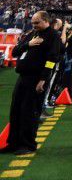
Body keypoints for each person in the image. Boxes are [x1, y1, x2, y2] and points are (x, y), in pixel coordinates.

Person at [2, 11, 62, 156]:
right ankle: (13, 143)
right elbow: (15, 51)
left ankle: (28, 144)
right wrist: (28, 44)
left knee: (29, 111)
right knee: (16, 109)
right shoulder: (32, 34)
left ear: (46, 21)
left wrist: (43, 79)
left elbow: (52, 60)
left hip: (36, 79)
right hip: (23, 77)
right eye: (33, 23)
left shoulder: (53, 36)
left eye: (37, 23)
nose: (34, 25)